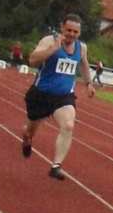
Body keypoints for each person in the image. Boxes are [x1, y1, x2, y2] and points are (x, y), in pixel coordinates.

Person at [21, 14, 96, 181]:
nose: (71, 34)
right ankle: (27, 138)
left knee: (68, 125)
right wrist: (52, 49)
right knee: (30, 131)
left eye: (75, 32)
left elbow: (84, 64)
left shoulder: (81, 47)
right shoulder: (49, 41)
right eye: (69, 30)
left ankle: (56, 166)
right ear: (62, 28)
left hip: (63, 96)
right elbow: (32, 61)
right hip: (41, 95)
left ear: (79, 33)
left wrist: (89, 83)